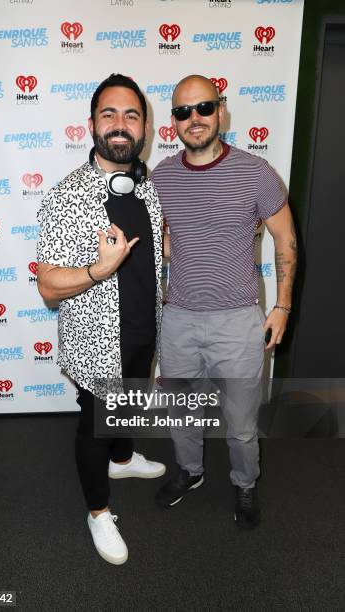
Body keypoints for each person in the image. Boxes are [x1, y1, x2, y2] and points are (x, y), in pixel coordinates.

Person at [151, 74, 297, 528]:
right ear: (173, 121)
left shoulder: (256, 173)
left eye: (203, 108)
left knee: (240, 422)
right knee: (180, 412)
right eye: (182, 111)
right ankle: (190, 473)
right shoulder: (160, 178)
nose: (194, 119)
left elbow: (286, 240)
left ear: (221, 110)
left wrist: (283, 305)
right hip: (179, 318)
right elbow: (166, 243)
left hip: (237, 321)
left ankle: (245, 483)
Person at [36, 74, 165, 565]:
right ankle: (97, 512)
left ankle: (124, 458)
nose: (120, 124)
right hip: (96, 338)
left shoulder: (146, 186)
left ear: (144, 127)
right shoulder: (68, 197)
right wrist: (98, 270)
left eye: (131, 115)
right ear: (91, 124)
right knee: (95, 421)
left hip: (142, 327)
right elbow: (48, 286)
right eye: (109, 114)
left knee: (130, 397)